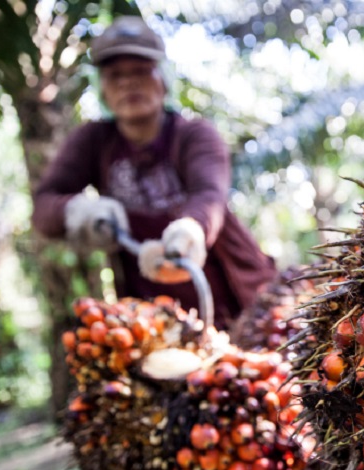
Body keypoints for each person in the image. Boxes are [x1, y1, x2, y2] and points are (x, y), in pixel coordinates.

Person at [31, 16, 277, 329]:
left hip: (240, 300)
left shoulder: (194, 135)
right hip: (157, 317)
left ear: (163, 80)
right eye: (115, 75)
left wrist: (191, 229)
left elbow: (209, 194)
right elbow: (43, 206)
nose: (128, 83)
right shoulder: (94, 141)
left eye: (140, 71)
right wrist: (76, 211)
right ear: (103, 89)